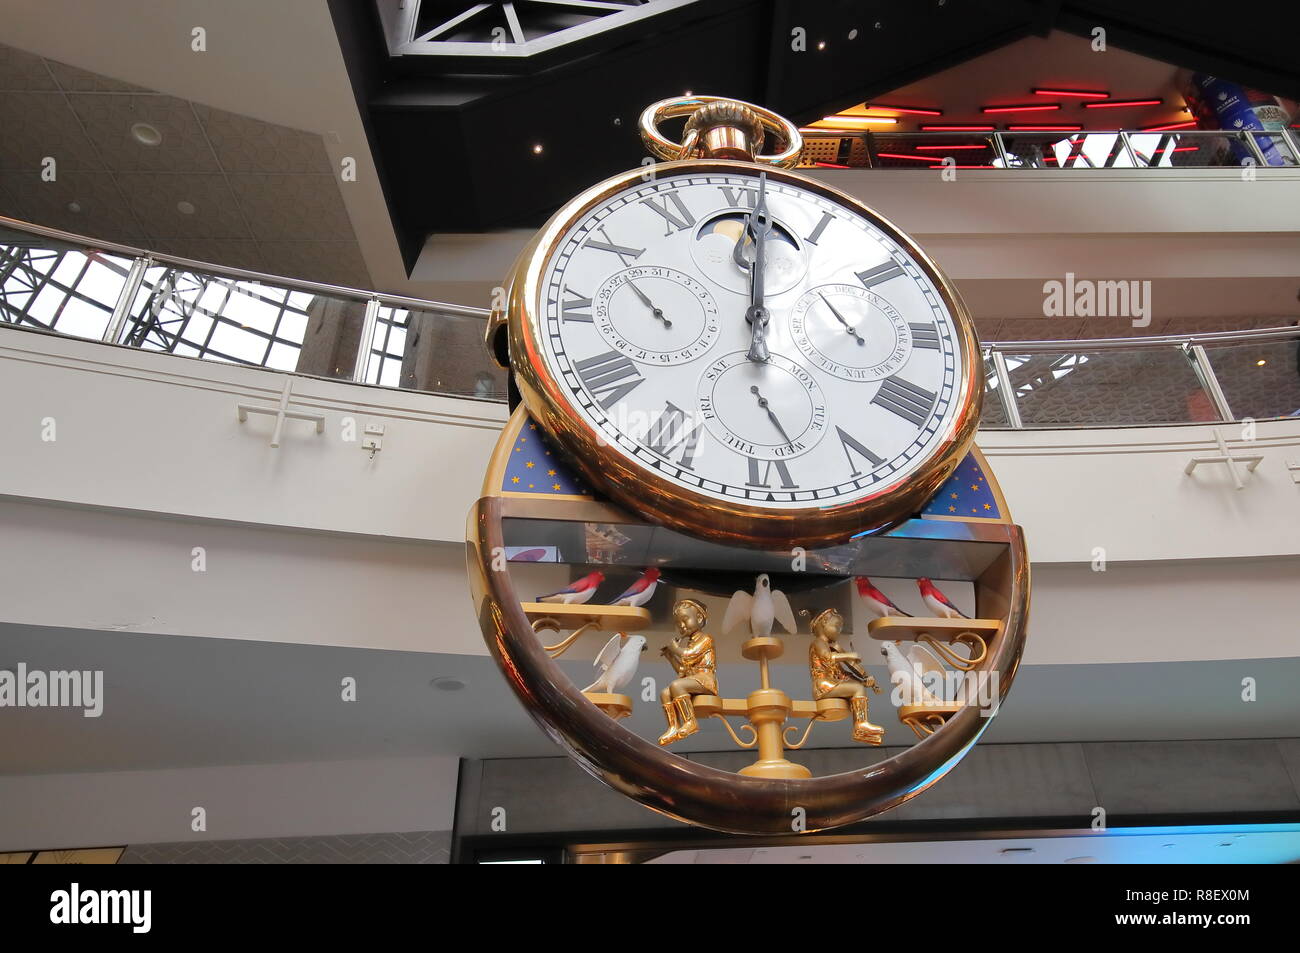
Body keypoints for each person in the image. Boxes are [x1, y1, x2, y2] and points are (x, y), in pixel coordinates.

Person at [808, 608, 884, 745]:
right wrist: (849, 655)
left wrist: (863, 680)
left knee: (857, 686)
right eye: (836, 626)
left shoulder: (830, 646)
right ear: (824, 623)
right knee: (856, 688)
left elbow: (842, 674)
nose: (838, 631)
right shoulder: (819, 642)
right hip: (823, 685)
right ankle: (860, 724)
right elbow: (827, 658)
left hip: (830, 683)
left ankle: (860, 728)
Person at [657, 599, 718, 745]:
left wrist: (675, 648)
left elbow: (688, 655)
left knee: (677, 686)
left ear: (698, 618)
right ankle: (673, 727)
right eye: (679, 624)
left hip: (705, 679)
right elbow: (681, 670)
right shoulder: (690, 642)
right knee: (665, 693)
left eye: (685, 620)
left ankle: (690, 722)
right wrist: (670, 656)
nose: (682, 626)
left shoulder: (706, 639)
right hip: (693, 680)